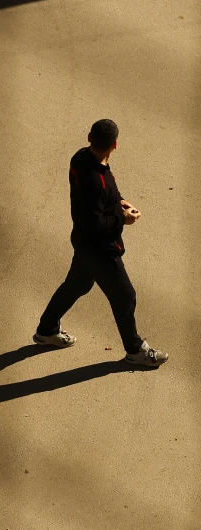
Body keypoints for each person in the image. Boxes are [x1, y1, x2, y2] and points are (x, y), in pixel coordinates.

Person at [33, 119, 168, 367]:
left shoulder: (80, 158)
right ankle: (136, 351)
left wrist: (118, 201)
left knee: (77, 285)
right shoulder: (97, 180)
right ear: (115, 144)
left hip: (83, 244)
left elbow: (98, 199)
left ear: (89, 137)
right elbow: (95, 222)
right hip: (100, 249)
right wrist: (122, 218)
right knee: (125, 296)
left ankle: (46, 330)